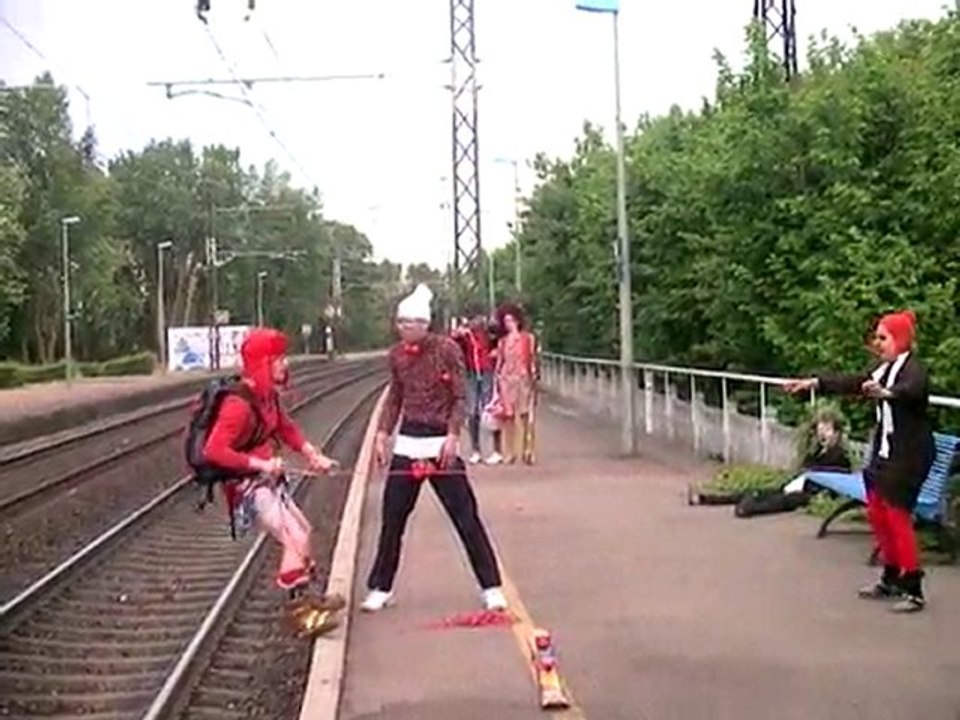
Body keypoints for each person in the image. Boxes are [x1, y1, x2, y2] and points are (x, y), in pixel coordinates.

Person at [361, 284, 507, 613]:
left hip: (441, 440)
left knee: (465, 516)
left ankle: (491, 586)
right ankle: (381, 586)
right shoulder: (396, 355)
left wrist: (454, 435)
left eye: (409, 323)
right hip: (409, 440)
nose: (403, 329)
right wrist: (383, 432)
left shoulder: (447, 350)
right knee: (393, 517)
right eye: (399, 323)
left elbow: (460, 395)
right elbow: (395, 396)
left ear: (425, 324)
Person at [784, 310, 935, 613]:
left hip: (909, 456)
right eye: (876, 337)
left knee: (897, 516)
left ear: (900, 339)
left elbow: (913, 391)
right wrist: (815, 383)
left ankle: (913, 587)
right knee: (877, 511)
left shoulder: (912, 370)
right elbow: (853, 382)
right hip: (885, 454)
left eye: (883, 337)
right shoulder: (883, 369)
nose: (878, 343)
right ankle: (891, 576)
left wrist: (887, 393)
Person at [202, 327, 340, 597]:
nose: (285, 364)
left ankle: (305, 598)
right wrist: (261, 465)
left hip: (266, 482)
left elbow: (285, 428)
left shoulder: (267, 397)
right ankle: (302, 606)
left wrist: (312, 454)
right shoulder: (237, 405)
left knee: (303, 531)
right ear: (262, 364)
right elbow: (214, 450)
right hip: (245, 487)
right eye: (278, 359)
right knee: (295, 538)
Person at [494, 303, 539, 464]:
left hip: (523, 379)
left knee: (527, 416)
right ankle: (510, 452)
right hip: (507, 380)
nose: (509, 324)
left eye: (511, 320)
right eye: (506, 321)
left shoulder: (528, 338)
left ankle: (529, 450)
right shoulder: (503, 341)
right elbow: (500, 362)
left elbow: (532, 359)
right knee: (509, 418)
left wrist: (533, 377)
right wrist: (498, 382)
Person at [451, 312, 497, 464]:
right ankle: (476, 449)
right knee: (472, 412)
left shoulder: (489, 333)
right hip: (471, 373)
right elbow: (452, 344)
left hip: (487, 372)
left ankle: (493, 450)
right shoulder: (466, 336)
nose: (477, 322)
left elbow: (499, 337)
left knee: (488, 411)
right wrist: (457, 333)